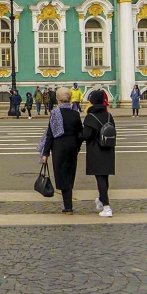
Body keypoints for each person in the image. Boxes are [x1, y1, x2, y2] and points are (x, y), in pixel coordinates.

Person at [39, 86, 83, 213]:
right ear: (69, 99)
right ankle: (68, 204)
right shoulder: (75, 114)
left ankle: (67, 205)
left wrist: (45, 153)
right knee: (70, 174)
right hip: (72, 147)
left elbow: (50, 134)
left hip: (58, 148)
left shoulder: (55, 113)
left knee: (61, 174)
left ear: (58, 100)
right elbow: (80, 133)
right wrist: (77, 147)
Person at [81, 89, 116, 217]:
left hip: (96, 151)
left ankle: (107, 207)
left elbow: (86, 135)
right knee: (104, 178)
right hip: (108, 149)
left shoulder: (91, 117)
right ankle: (101, 200)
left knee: (100, 179)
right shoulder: (108, 115)